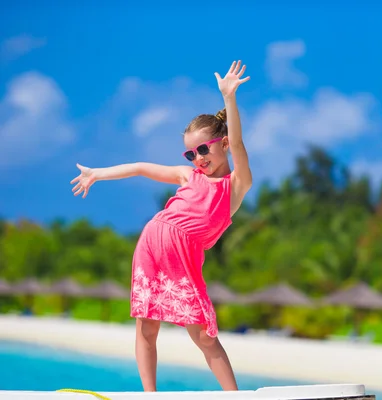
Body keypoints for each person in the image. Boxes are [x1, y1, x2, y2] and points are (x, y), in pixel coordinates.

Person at [69, 60, 252, 392]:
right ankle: (149, 396)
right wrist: (97, 173)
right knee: (146, 327)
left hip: (185, 255)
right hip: (153, 243)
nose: (198, 158)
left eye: (203, 149)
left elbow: (239, 145)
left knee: (204, 335)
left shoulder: (237, 184)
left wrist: (229, 98)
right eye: (190, 153)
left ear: (222, 144)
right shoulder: (188, 176)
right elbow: (140, 167)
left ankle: (234, 397)